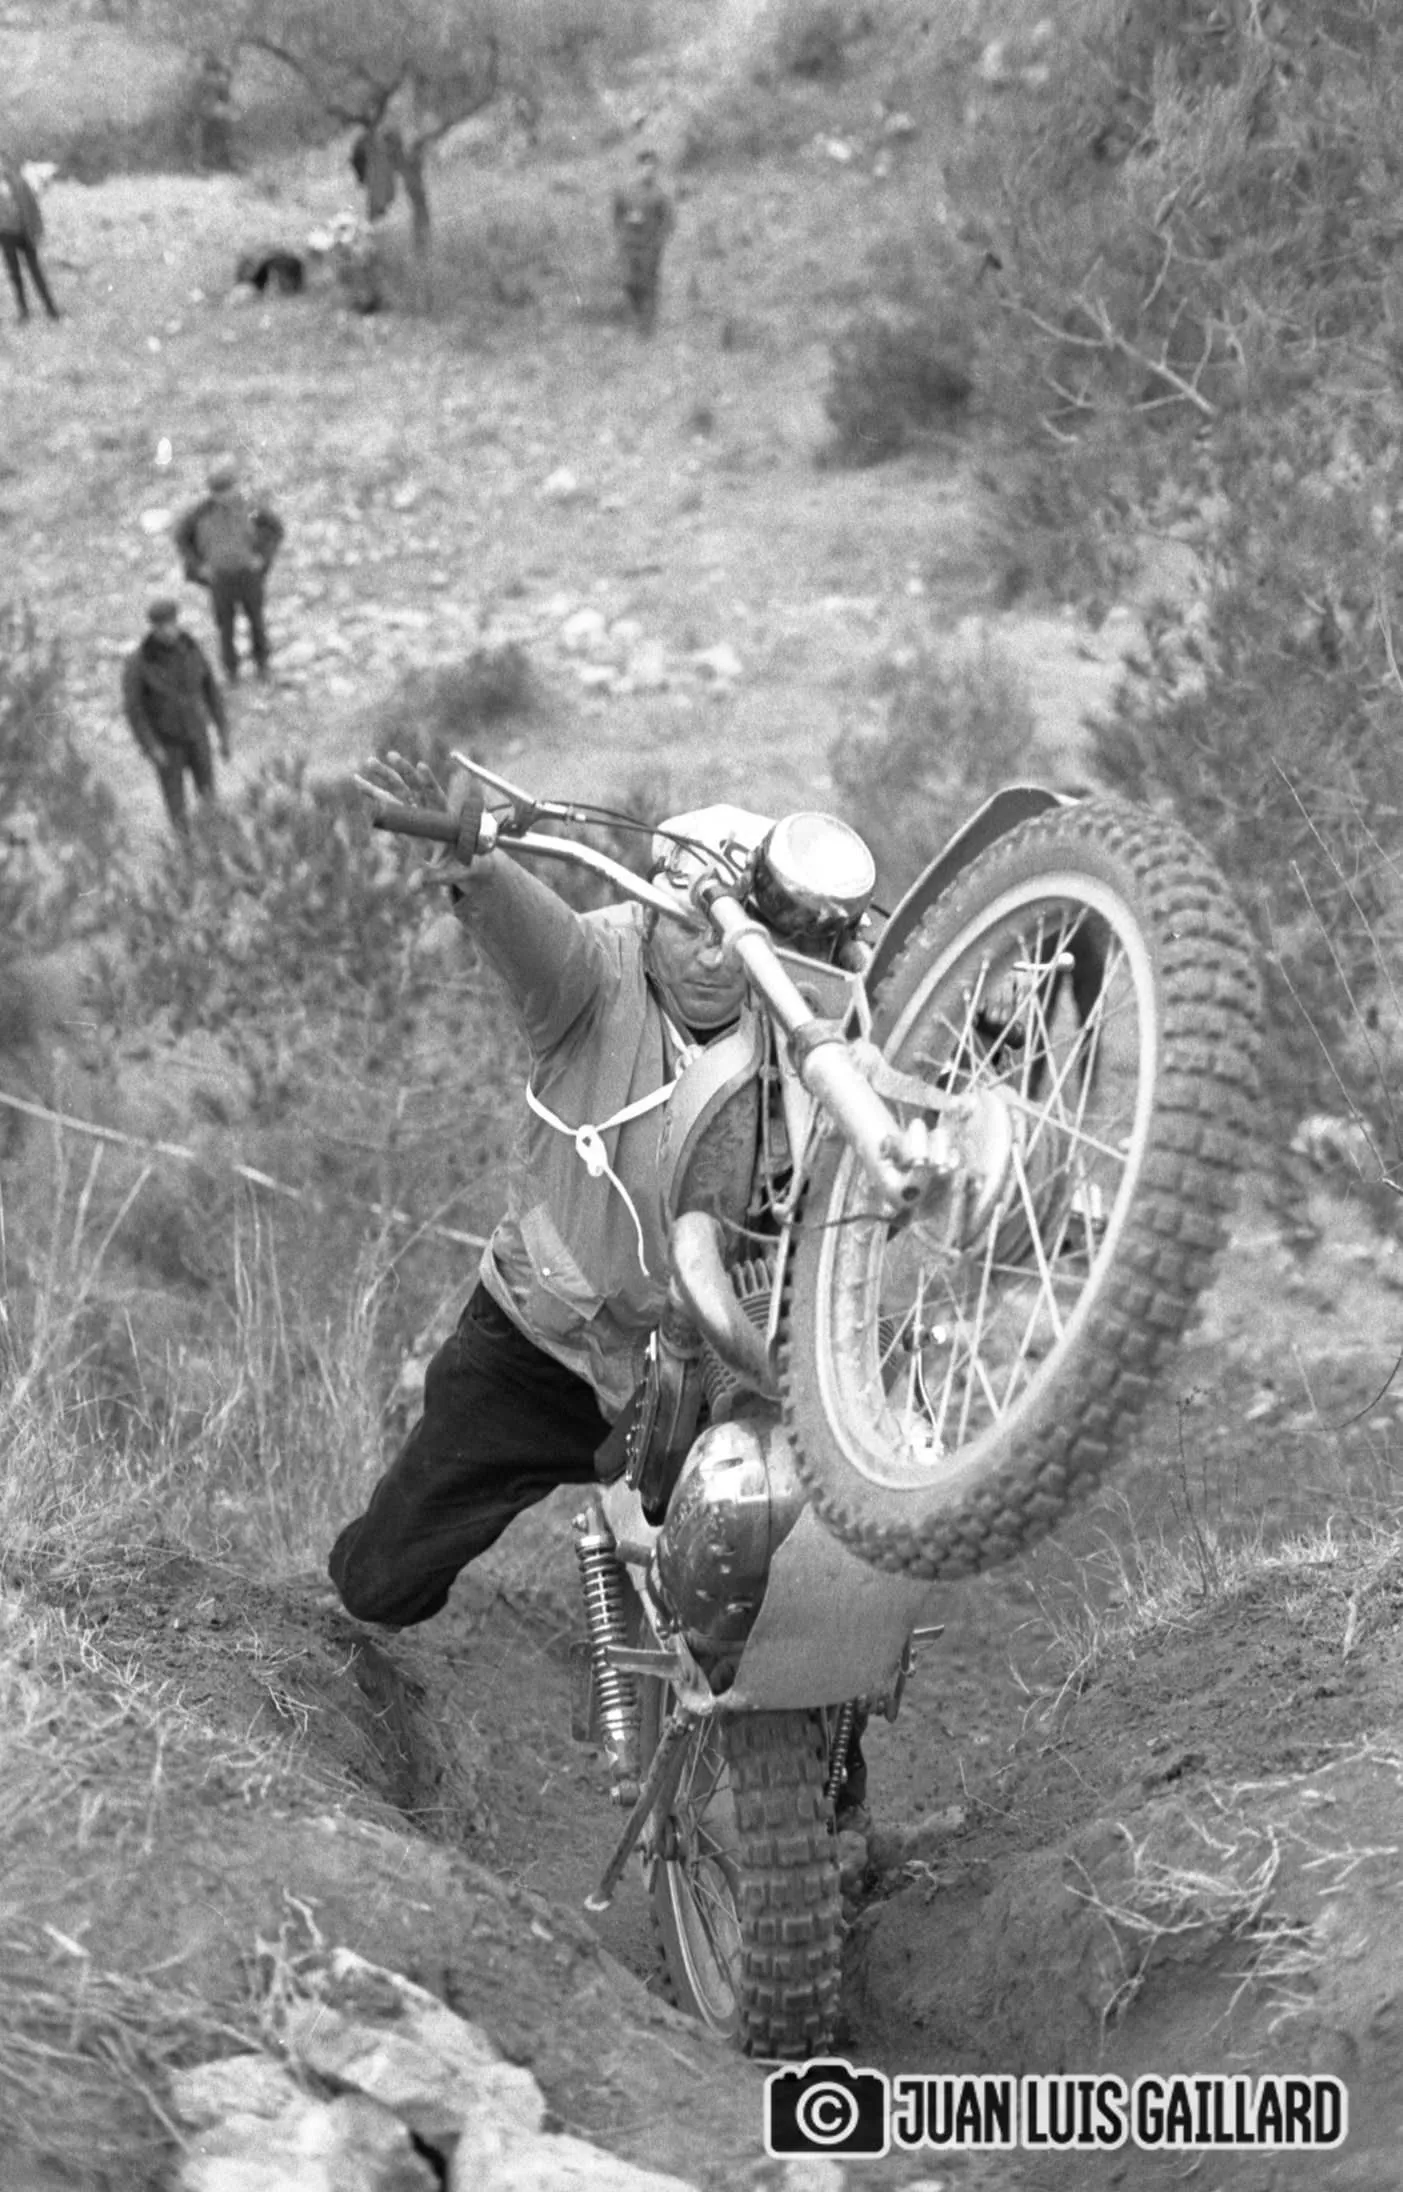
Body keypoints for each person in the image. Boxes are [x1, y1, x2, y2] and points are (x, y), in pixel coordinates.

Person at [330, 756, 871, 1829]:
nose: (715, 953)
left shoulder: (795, 1011)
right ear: (652, 908)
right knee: (380, 1581)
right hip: (544, 1349)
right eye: (691, 925)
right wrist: (477, 863)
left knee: (802, 1564)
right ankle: (335, 1714)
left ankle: (822, 1802)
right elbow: (529, 931)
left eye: (734, 933)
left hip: (713, 1361)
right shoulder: (591, 975)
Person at [120, 598, 230, 836]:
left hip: (197, 734)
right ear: (154, 628)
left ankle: (214, 843)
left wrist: (222, 732)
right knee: (176, 805)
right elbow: (134, 711)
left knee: (209, 796)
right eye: (162, 627)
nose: (168, 631)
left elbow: (211, 690)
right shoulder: (139, 663)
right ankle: (184, 850)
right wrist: (151, 746)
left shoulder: (191, 649)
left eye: (171, 624)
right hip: (167, 742)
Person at [174, 456, 284, 682]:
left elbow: (275, 529)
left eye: (228, 490)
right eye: (219, 493)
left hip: (248, 574)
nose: (225, 497)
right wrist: (198, 567)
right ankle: (231, 670)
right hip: (219, 578)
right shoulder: (200, 513)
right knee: (225, 627)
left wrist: (262, 557)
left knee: (256, 621)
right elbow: (182, 539)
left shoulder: (251, 507)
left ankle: (262, 665)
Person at [611, 147, 675, 336]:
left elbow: (668, 221)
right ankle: (635, 316)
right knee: (629, 282)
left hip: (649, 246)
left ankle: (647, 326)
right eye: (645, 167)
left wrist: (658, 242)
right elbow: (617, 214)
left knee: (649, 283)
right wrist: (621, 234)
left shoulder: (660, 196)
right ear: (638, 168)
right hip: (629, 245)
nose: (649, 171)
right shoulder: (625, 192)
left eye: (652, 168)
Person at [0, 157, 59, 324]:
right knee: (14, 274)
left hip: (25, 233)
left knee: (35, 271)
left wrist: (38, 231)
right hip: (6, 235)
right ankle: (23, 311)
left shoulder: (19, 182)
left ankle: (50, 308)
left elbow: (33, 207)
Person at [193, 53, 235, 172]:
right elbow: (224, 98)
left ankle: (218, 161)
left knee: (215, 133)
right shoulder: (212, 81)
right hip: (208, 113)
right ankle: (219, 161)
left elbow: (224, 98)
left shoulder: (204, 80)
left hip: (209, 113)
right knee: (212, 134)